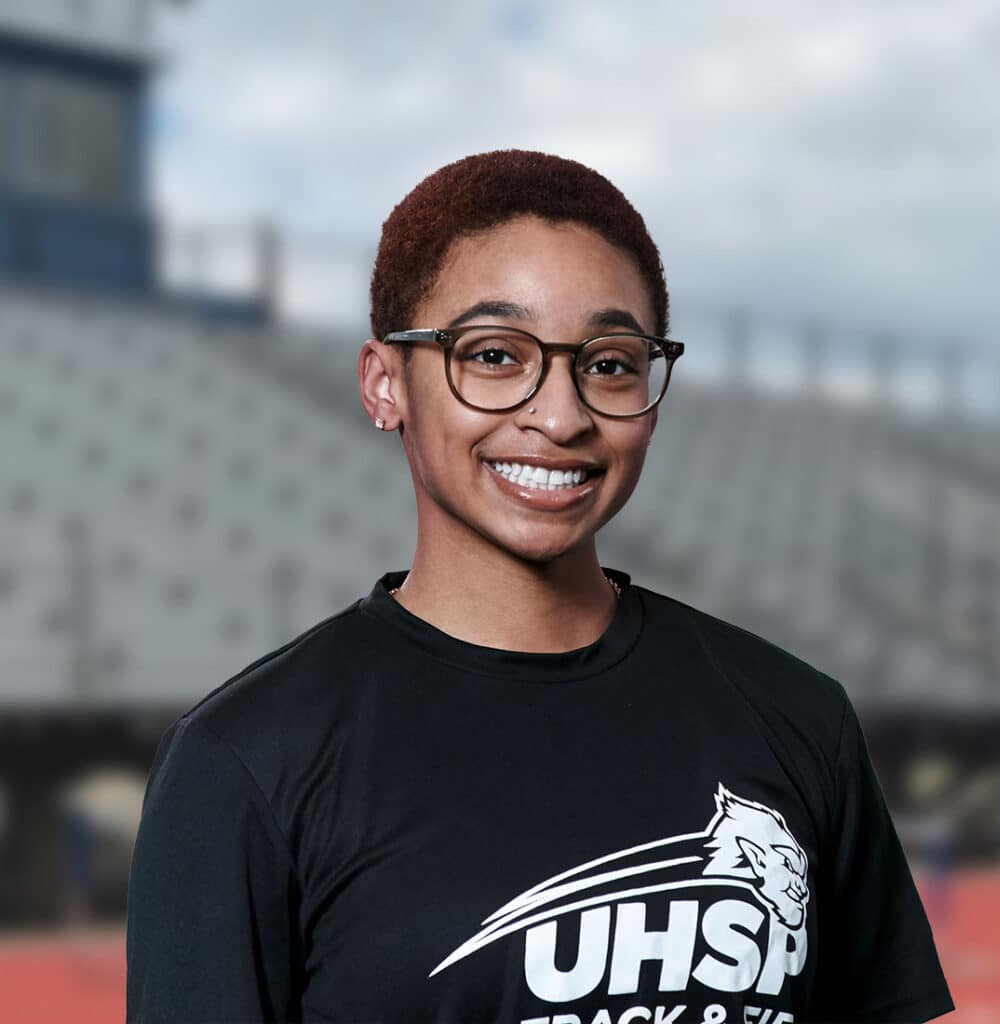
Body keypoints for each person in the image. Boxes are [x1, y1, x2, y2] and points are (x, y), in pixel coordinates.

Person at [126, 150, 955, 1024]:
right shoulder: (245, 761)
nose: (560, 417)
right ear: (383, 383)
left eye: (608, 363)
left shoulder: (798, 718)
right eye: (492, 354)